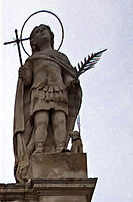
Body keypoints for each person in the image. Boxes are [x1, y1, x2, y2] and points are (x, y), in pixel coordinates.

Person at [13, 23, 82, 182]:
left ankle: (60, 148)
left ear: (51, 36)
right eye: (37, 31)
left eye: (44, 30)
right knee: (41, 121)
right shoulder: (33, 59)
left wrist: (71, 83)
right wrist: (24, 75)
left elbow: (67, 76)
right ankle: (39, 148)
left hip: (58, 91)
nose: (41, 31)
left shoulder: (61, 58)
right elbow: (29, 80)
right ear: (33, 42)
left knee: (59, 120)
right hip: (39, 92)